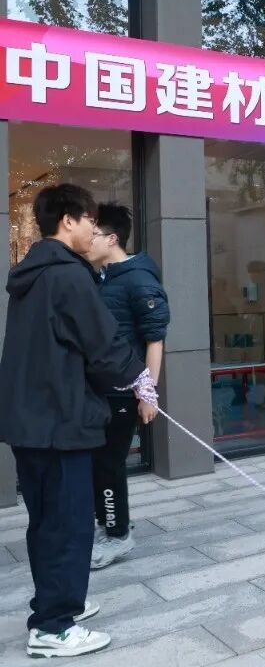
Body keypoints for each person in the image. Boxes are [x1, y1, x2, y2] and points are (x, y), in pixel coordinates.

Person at [0, 184, 160, 659]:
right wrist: (141, 380)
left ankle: (58, 601)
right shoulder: (69, 275)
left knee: (47, 521)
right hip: (60, 420)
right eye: (89, 220)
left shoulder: (32, 274)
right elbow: (104, 344)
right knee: (68, 523)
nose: (94, 229)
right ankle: (53, 627)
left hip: (33, 421)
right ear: (68, 220)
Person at [85, 202, 170, 569]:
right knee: (98, 462)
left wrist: (148, 393)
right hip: (100, 390)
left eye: (93, 235)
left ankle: (117, 535)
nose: (87, 241)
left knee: (108, 464)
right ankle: (109, 523)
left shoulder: (139, 280)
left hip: (123, 391)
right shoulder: (103, 277)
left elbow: (155, 339)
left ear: (112, 239)